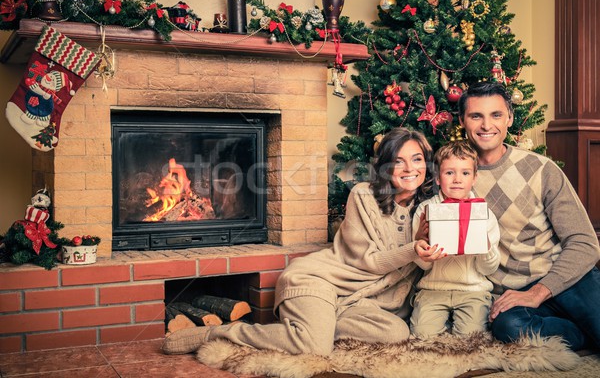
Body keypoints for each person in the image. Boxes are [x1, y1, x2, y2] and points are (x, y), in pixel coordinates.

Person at [162, 127, 434, 356]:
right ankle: (220, 333)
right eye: (398, 161)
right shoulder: (364, 196)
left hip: (361, 305)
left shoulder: (431, 209)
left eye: (417, 159)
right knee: (315, 349)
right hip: (319, 282)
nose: (410, 168)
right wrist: (413, 248)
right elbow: (369, 262)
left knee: (397, 333)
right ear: (386, 166)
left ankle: (319, 324)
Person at [458, 81, 600, 350]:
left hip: (567, 278)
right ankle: (580, 333)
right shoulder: (453, 175)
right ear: (463, 120)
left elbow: (584, 243)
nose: (487, 125)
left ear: (510, 118)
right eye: (476, 116)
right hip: (513, 294)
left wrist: (539, 292)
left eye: (496, 115)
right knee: (509, 328)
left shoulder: (540, 168)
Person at [410, 141, 500, 338]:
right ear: (438, 178)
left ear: (475, 178)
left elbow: (488, 269)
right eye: (449, 172)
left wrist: (486, 247)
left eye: (465, 173)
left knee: (472, 337)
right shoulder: (425, 211)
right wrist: (419, 245)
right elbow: (424, 267)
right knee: (422, 335)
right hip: (434, 289)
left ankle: (459, 324)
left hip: (473, 290)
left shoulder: (484, 214)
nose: (457, 179)